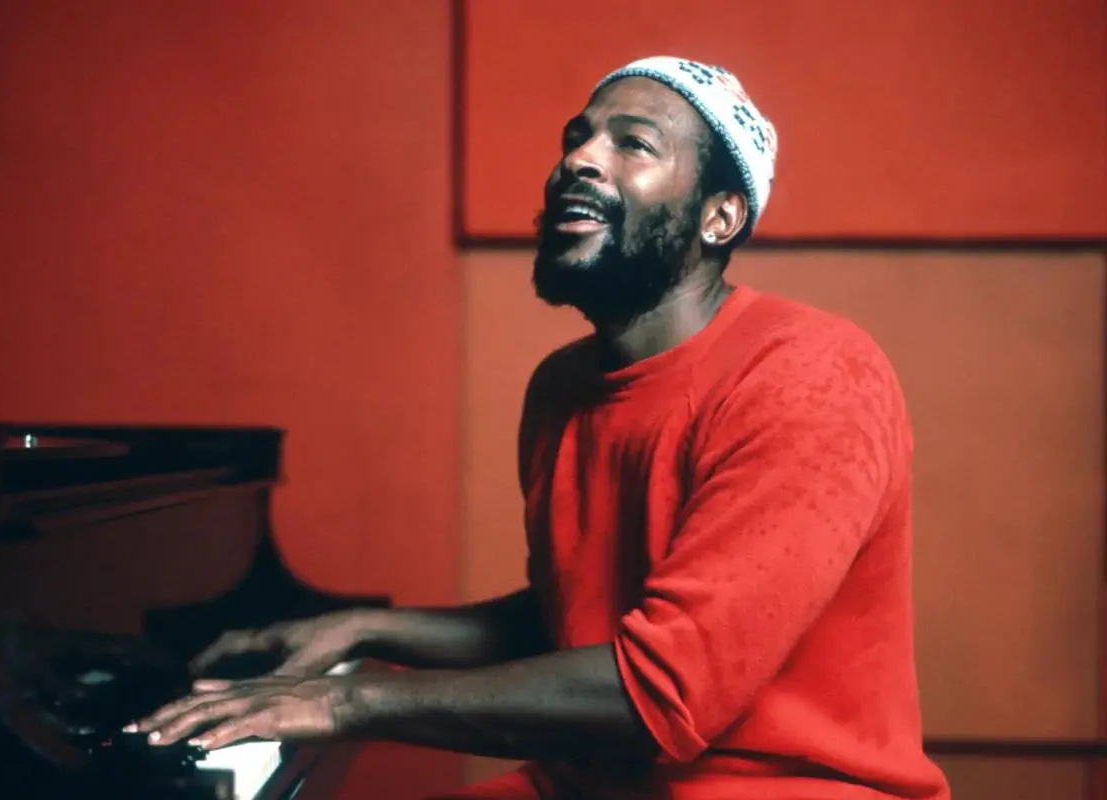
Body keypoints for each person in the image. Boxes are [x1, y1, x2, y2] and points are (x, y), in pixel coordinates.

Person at [133, 56, 951, 799]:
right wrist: (366, 631)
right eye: (577, 138)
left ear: (719, 217)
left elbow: (663, 687)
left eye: (633, 144)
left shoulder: (809, 373)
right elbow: (577, 621)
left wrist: (346, 701)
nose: (580, 160)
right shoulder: (562, 387)